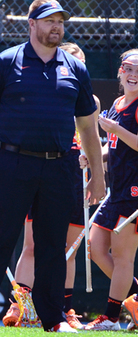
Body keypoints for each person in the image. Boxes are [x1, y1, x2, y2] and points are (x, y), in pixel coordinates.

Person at [0, 0, 105, 332]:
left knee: (53, 248)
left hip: (60, 167)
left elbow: (88, 125)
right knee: (0, 242)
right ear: (32, 24)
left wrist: (98, 177)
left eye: (60, 21)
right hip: (14, 163)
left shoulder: (76, 68)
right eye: (49, 20)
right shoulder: (5, 62)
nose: (56, 27)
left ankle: (53, 319)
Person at [3, 43, 97, 329]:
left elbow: (91, 137)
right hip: (46, 166)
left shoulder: (88, 98)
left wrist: (96, 170)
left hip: (74, 173)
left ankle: (64, 309)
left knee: (66, 249)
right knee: (32, 245)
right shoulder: (43, 90)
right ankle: (21, 306)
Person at [84, 49, 138, 331]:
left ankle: (111, 317)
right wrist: (97, 157)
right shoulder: (117, 103)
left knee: (122, 257)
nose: (133, 75)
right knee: (94, 247)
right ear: (120, 71)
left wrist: (116, 129)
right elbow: (114, 146)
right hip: (115, 191)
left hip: (134, 192)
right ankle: (135, 298)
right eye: (128, 68)